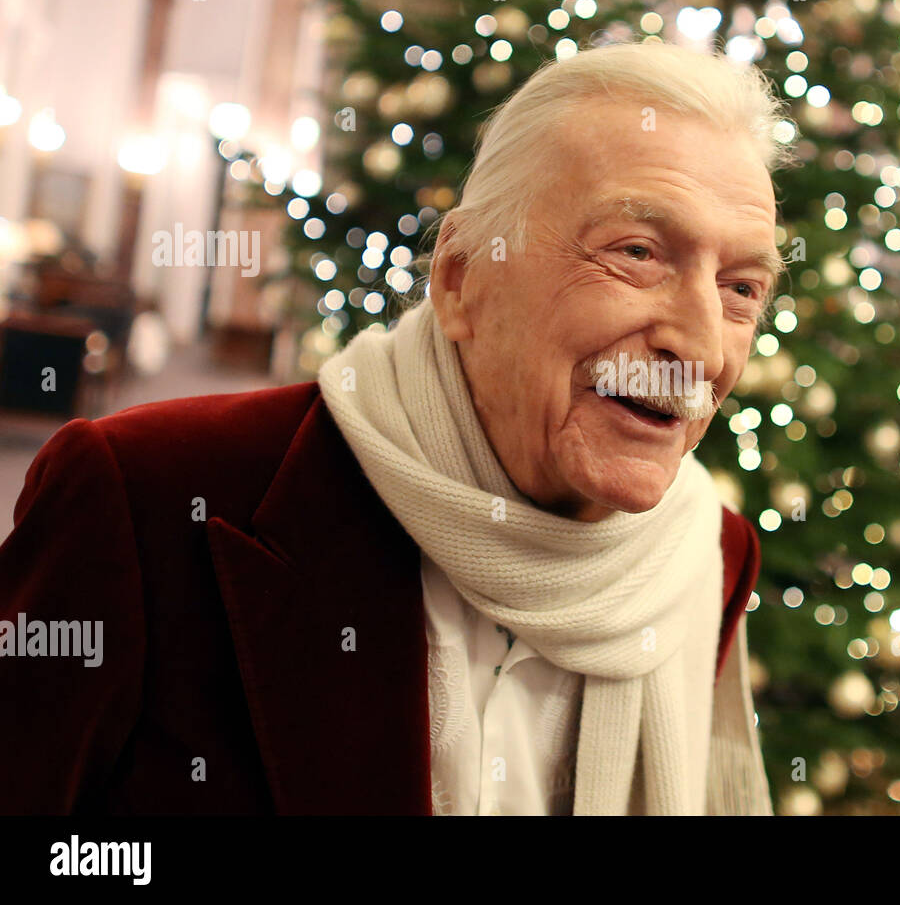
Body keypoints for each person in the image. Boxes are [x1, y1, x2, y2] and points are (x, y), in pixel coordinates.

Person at [0, 40, 793, 815]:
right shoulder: (150, 494)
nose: (699, 344)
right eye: (638, 252)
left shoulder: (707, 557)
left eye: (741, 288)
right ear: (459, 278)